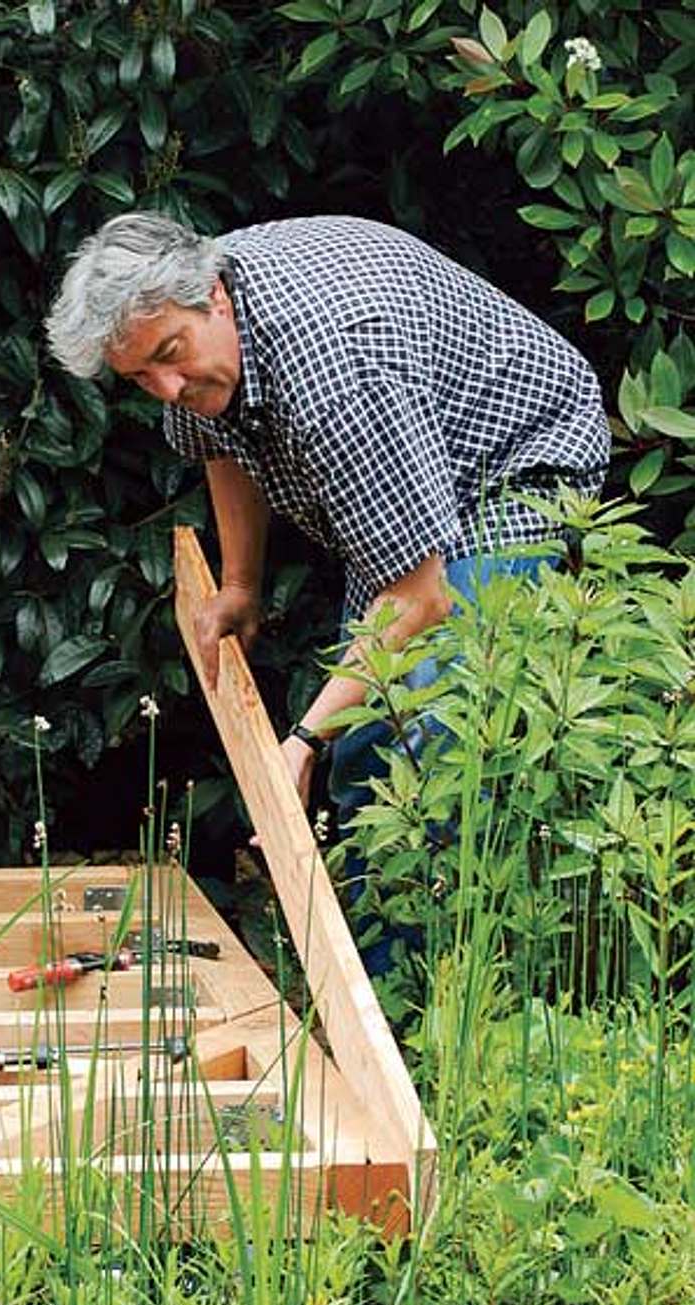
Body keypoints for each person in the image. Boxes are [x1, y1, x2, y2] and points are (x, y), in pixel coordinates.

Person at [46, 213, 610, 969]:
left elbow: (422, 597)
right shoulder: (202, 345)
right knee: (371, 754)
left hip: (517, 463)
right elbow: (223, 439)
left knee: (416, 733)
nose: (167, 388)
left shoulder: (334, 374)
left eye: (170, 358)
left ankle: (421, 1012)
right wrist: (241, 583)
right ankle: (388, 987)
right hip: (418, 462)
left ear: (213, 296)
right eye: (141, 377)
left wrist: (302, 742)